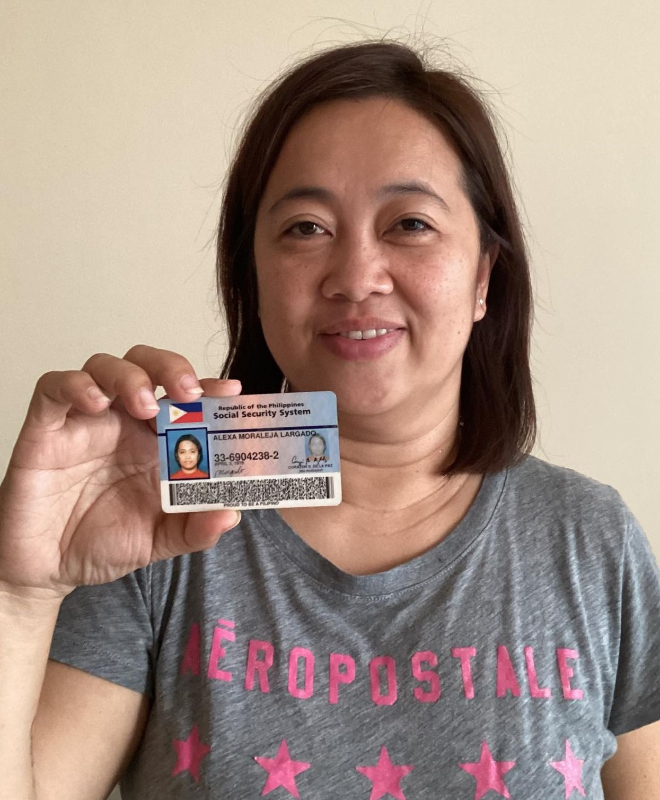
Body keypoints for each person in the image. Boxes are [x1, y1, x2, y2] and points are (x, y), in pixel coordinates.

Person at [0, 39, 659, 800]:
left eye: (410, 223)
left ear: (483, 278)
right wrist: (20, 593)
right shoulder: (155, 528)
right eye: (306, 228)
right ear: (252, 275)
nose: (355, 277)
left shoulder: (590, 541)